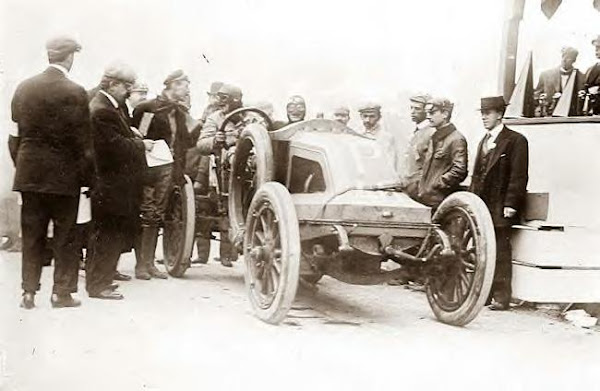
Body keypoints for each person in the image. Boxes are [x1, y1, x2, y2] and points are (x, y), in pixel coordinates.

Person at [11, 35, 92, 309]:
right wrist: (86, 180)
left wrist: (23, 166)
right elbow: (84, 145)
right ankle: (61, 293)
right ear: (69, 57)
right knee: (65, 236)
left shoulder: (24, 88)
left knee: (32, 234)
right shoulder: (76, 92)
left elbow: (14, 137)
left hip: (30, 175)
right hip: (64, 177)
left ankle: (28, 292)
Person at [86, 63, 149, 300]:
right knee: (106, 234)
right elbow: (112, 146)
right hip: (110, 184)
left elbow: (115, 137)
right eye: (126, 86)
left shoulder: (107, 107)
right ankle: (98, 285)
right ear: (112, 84)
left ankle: (101, 280)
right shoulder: (103, 110)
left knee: (107, 234)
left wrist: (130, 133)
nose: (129, 91)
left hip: (110, 184)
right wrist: (141, 144)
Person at [132, 70, 195, 279]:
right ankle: (141, 265)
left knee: (157, 215)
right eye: (185, 84)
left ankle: (149, 263)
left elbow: (186, 144)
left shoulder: (179, 113)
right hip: (148, 170)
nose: (187, 89)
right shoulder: (148, 108)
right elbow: (139, 137)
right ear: (173, 85)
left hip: (169, 172)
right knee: (147, 214)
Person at [470, 96, 529, 311]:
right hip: (483, 205)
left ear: (500, 114)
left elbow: (519, 176)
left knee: (501, 249)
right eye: (482, 113)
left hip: (501, 205)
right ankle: (484, 294)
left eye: (489, 112)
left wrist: (511, 204)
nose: (484, 117)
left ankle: (501, 296)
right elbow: (477, 176)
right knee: (482, 248)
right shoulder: (483, 141)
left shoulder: (516, 140)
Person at [196, 83, 244, 267]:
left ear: (236, 99)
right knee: (220, 209)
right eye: (219, 98)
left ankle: (228, 254)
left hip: (247, 171)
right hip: (222, 172)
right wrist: (215, 140)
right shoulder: (214, 118)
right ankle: (208, 255)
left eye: (225, 99)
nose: (220, 102)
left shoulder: (251, 117)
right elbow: (201, 144)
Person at [417, 97, 468, 209]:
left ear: (445, 114)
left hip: (440, 201)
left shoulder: (456, 139)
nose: (428, 116)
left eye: (432, 112)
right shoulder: (435, 137)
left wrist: (437, 184)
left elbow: (459, 170)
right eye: (427, 113)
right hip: (426, 199)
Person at [399, 94, 434, 199]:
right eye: (411, 108)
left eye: (417, 109)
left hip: (419, 189)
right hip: (408, 186)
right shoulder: (417, 131)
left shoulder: (431, 132)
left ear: (426, 111)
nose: (412, 112)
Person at [535, 46, 584, 116]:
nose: (565, 60)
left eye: (569, 58)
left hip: (572, 117)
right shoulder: (546, 75)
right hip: (549, 116)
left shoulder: (581, 77)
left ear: (574, 60)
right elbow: (536, 95)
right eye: (564, 57)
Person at [358, 102, 397, 171]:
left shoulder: (387, 138)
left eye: (372, 116)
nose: (367, 120)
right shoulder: (356, 135)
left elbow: (391, 164)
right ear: (361, 116)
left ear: (379, 117)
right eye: (365, 116)